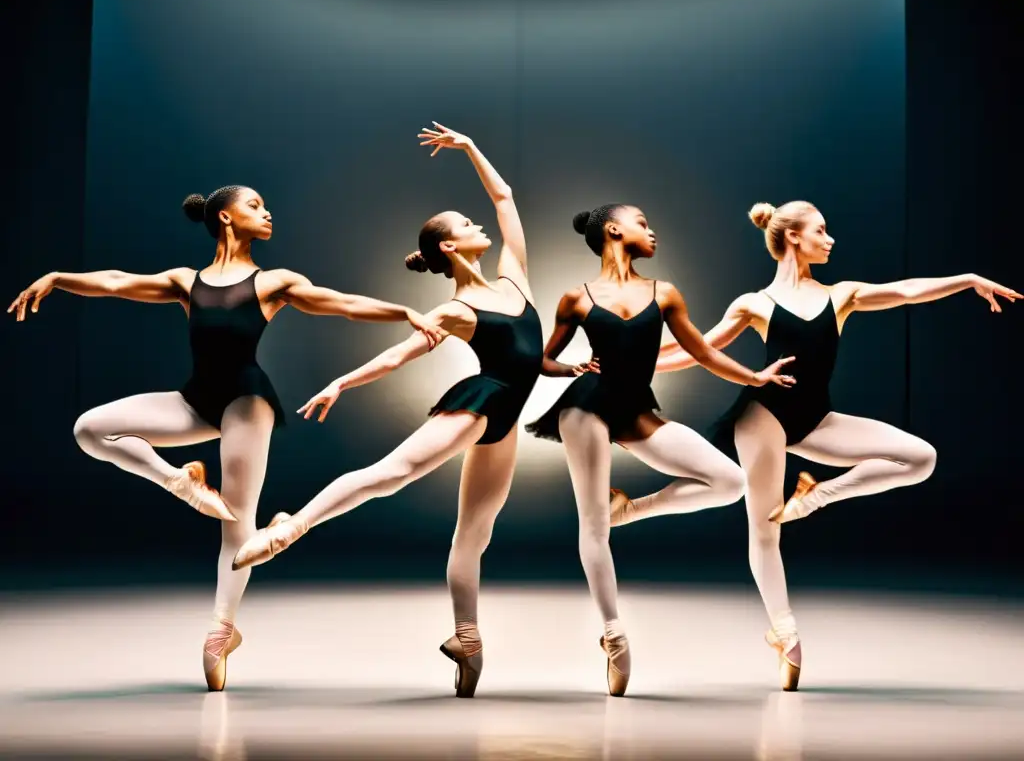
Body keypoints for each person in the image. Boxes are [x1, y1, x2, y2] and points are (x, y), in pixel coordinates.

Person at [7, 185, 444, 691]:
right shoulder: (183, 281)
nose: (268, 211)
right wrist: (59, 278)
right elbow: (115, 282)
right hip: (196, 400)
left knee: (237, 525)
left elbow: (341, 303)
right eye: (255, 205)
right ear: (225, 217)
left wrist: (404, 312)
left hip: (245, 402)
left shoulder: (273, 282)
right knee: (90, 428)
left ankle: (220, 630)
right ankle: (179, 481)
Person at [230, 124, 544, 699]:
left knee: (473, 534)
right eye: (465, 225)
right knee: (391, 475)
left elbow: (505, 201)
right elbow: (398, 356)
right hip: (481, 401)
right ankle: (287, 532)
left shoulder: (514, 276)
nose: (479, 226)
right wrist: (341, 383)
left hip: (508, 419)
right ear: (450, 247)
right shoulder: (455, 309)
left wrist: (470, 147)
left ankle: (466, 640)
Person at [655, 200, 1020, 691]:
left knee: (920, 457)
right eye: (821, 231)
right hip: (763, 415)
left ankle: (817, 495)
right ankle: (785, 633)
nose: (830, 240)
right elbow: (698, 351)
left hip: (815, 418)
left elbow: (905, 292)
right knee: (764, 529)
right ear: (792, 238)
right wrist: (627, 359)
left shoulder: (841, 295)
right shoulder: (754, 304)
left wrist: (967, 278)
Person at [525, 203, 795, 696]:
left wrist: (755, 376)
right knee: (591, 525)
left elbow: (704, 352)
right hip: (584, 407)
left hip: (636, 409)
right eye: (643, 224)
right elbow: (543, 358)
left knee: (729, 481)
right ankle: (613, 634)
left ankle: (628, 511)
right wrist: (569, 371)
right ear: (613, 230)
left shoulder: (664, 293)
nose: (653, 232)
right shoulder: (576, 298)